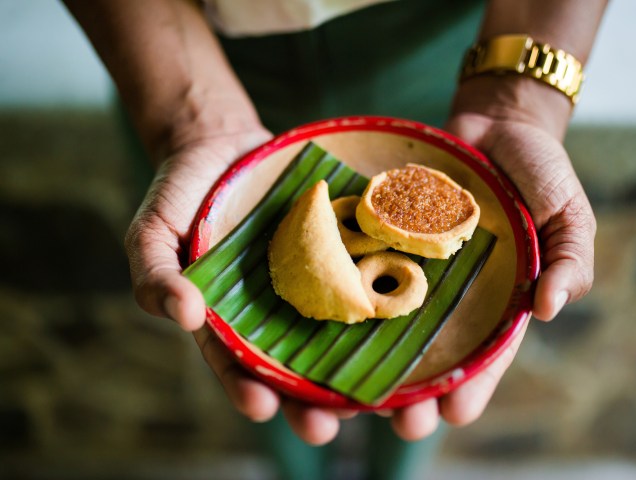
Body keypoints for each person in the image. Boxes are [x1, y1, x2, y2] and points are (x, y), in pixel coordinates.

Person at [62, 0, 604, 478]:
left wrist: (520, 101)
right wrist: (185, 117)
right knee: (258, 372)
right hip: (179, 53)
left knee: (428, 382)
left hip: (448, 55)